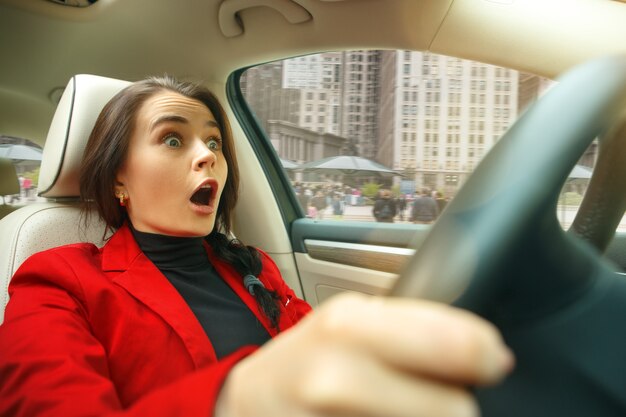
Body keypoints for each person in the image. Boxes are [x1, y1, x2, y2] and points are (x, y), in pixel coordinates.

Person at [0, 76, 514, 417]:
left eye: (215, 141)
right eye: (173, 139)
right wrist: (236, 400)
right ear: (118, 180)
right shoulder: (58, 279)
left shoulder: (253, 266)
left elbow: (319, 354)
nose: (208, 155)